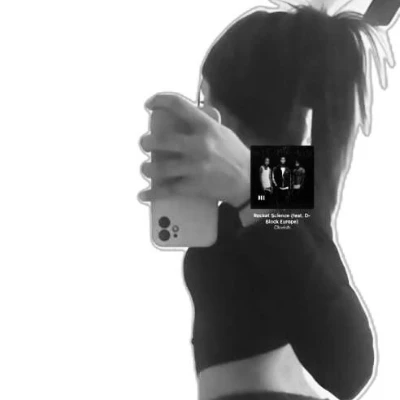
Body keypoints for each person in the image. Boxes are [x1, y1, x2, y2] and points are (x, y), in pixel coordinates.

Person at [139, 4, 390, 400]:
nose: (202, 118)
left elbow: (351, 368)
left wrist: (247, 185)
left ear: (235, 113)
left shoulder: (280, 197)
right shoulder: (269, 199)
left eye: (208, 102)